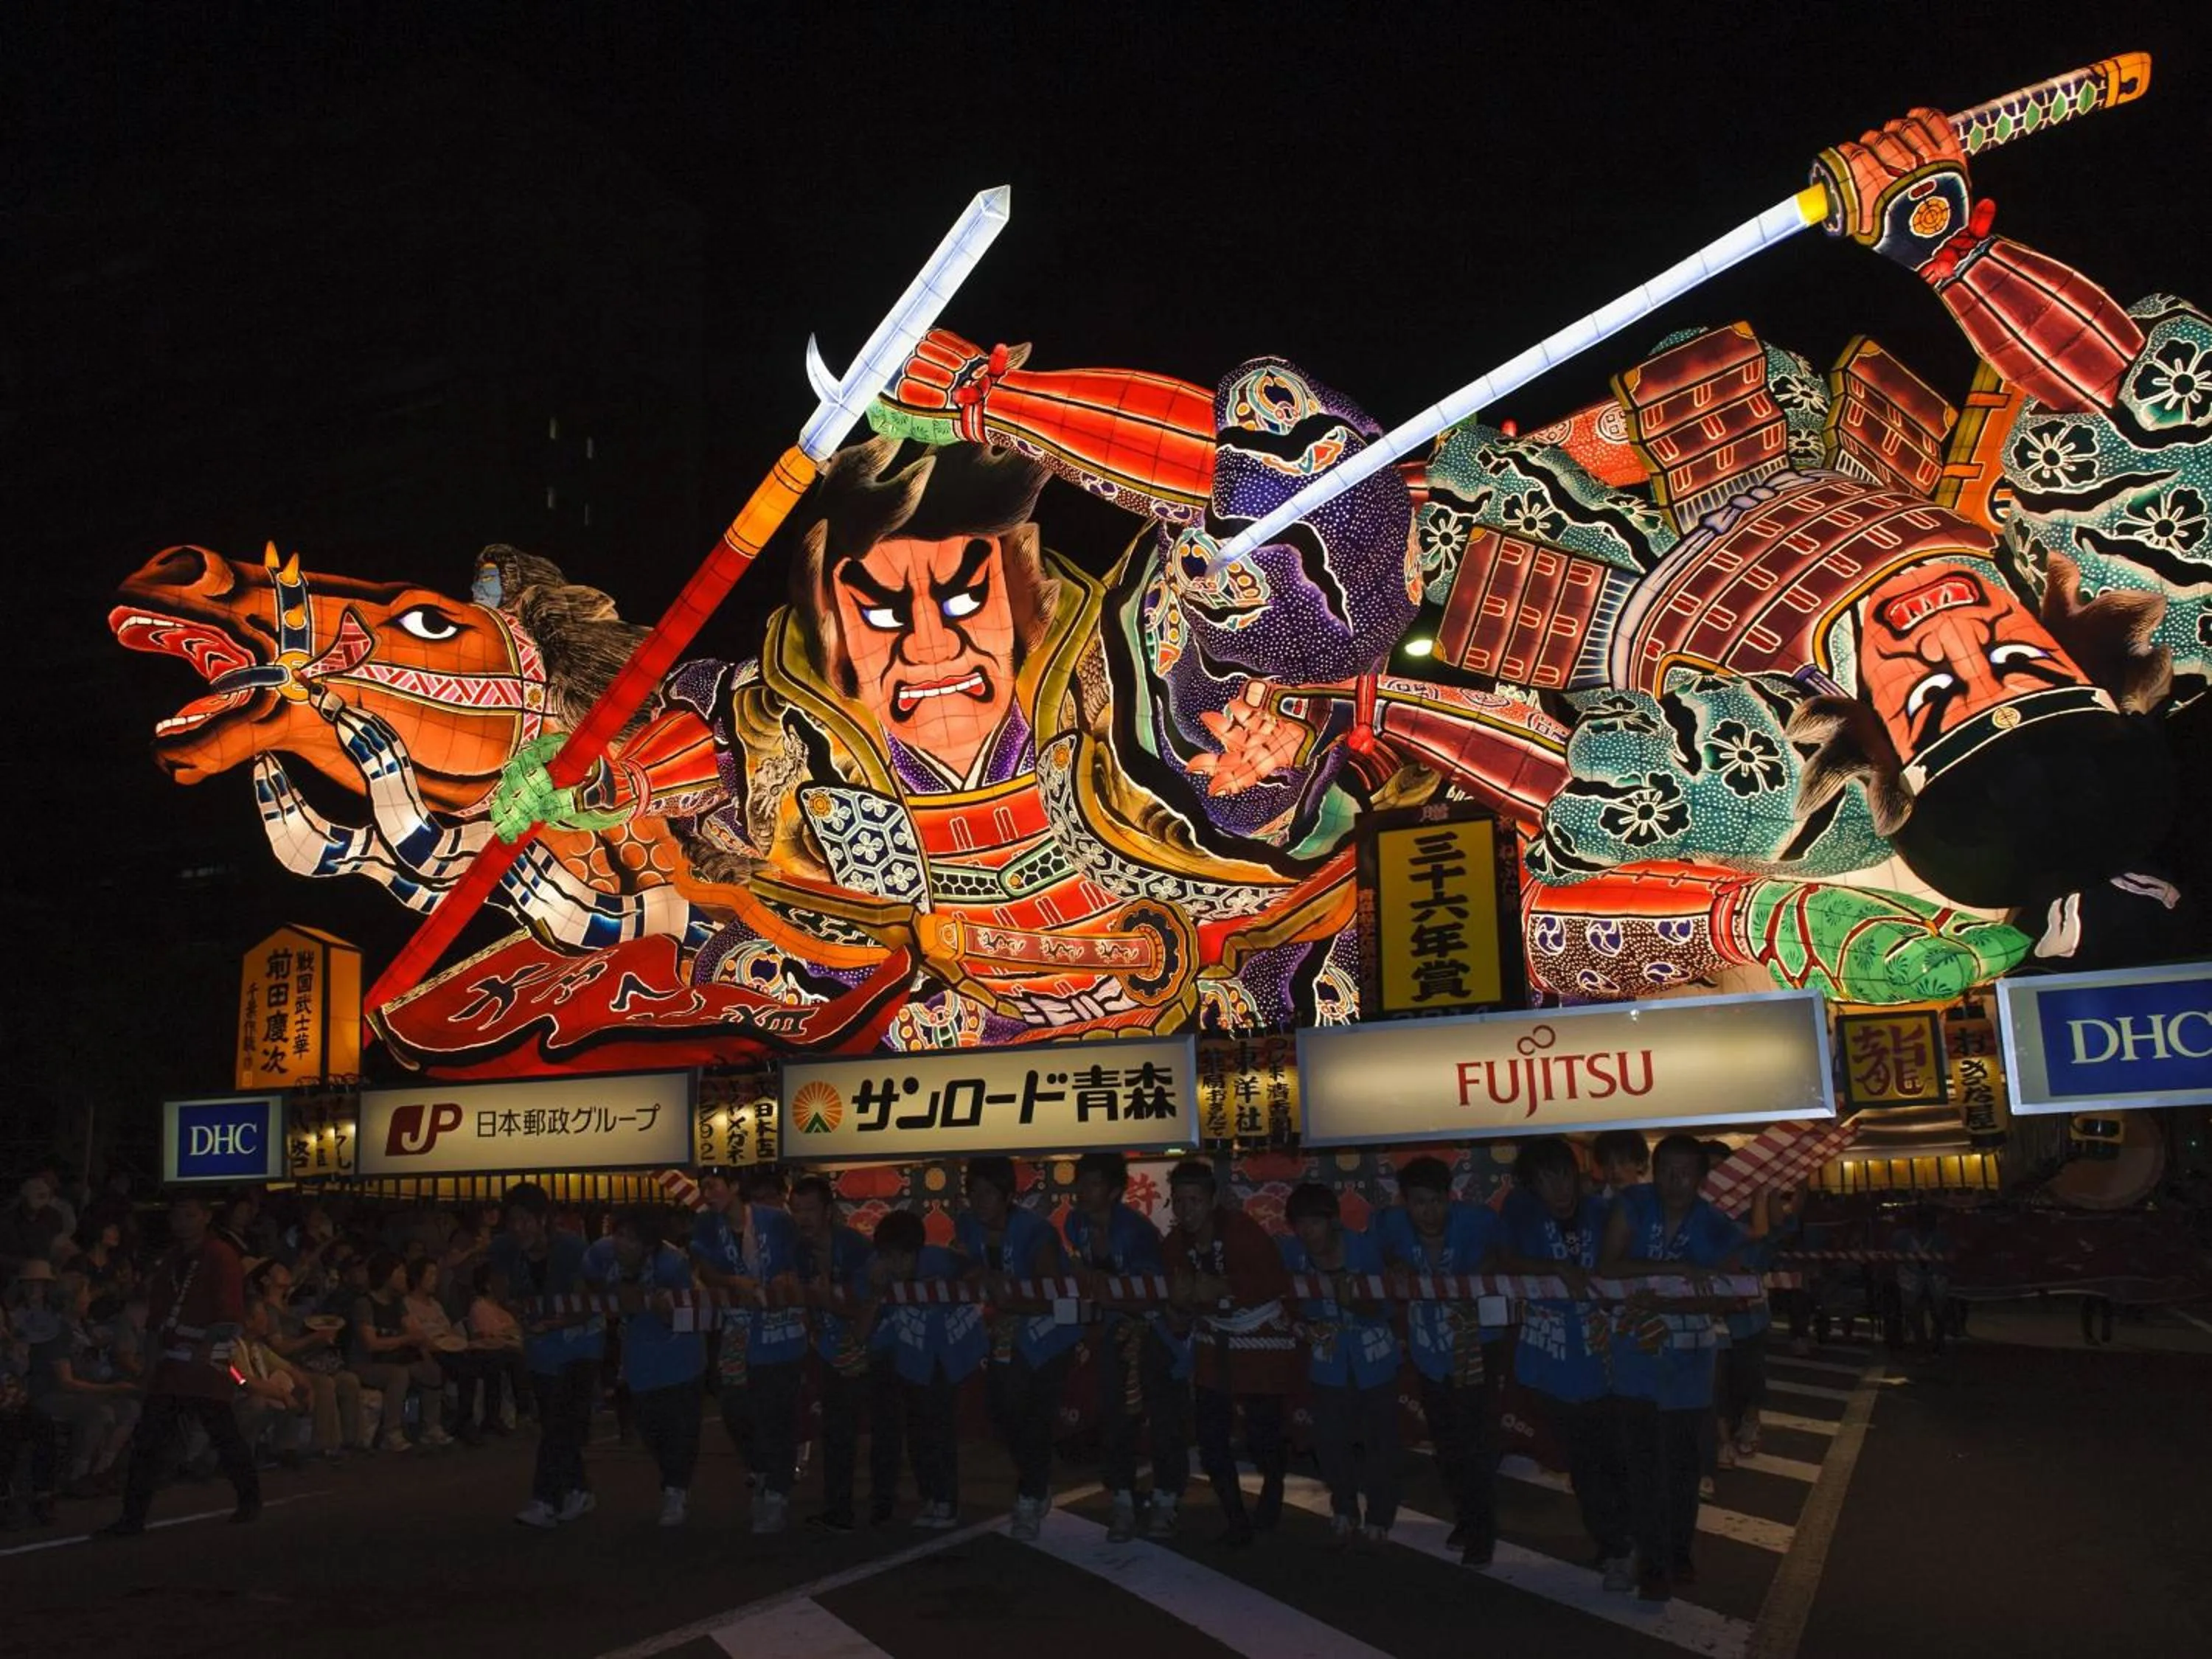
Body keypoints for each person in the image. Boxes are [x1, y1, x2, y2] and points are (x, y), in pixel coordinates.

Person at [1600, 1133, 1747, 1602]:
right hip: (1635, 1353)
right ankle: (1655, 1562)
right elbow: (1607, 1266)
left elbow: (1733, 1290)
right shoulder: (1633, 1204)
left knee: (1683, 1466)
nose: (1675, 1181)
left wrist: (1706, 1291)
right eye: (1666, 1170)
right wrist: (1679, 1271)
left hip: (1689, 1357)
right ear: (1653, 1170)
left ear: (1702, 1179)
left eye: (1686, 1173)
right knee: (1641, 1462)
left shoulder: (1716, 1223)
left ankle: (1677, 1552)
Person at [1497, 1136, 1632, 1590]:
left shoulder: (1603, 1212)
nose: (1560, 1186)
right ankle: (1616, 1546)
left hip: (1613, 1357)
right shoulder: (1522, 1214)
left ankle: (1622, 1545)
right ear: (1532, 1185)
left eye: (1565, 1173)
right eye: (1546, 1178)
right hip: (1553, 1362)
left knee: (1615, 1457)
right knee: (1586, 1462)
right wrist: (1554, 1269)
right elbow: (1504, 1262)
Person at [99, 1190, 260, 1536]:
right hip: (171, 1363)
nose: (181, 1222)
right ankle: (133, 1517)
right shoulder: (172, 1260)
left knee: (222, 1431)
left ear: (205, 1217)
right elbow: (157, 1317)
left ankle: (250, 1497)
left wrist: (208, 1351)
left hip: (203, 1359)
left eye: (189, 1215)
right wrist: (150, 1363)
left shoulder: (220, 1256)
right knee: (150, 1439)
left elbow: (229, 1311)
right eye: (177, 1216)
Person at [1375, 1155, 1503, 1565]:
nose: (1428, 1212)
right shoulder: (1390, 1225)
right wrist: (1393, 1263)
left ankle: (1483, 1529)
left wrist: (1478, 1274)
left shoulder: (1477, 1221)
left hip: (1473, 1342)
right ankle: (1466, 1516)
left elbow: (1504, 1254)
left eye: (1436, 1201)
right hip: (1429, 1346)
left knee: (1475, 1440)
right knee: (1446, 1443)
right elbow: (1373, 1250)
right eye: (1418, 1203)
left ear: (1450, 1197)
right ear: (1405, 1203)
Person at [1163, 1158, 1296, 1547]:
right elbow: (1177, 1306)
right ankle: (1236, 1518)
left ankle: (1273, 1487)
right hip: (1214, 1339)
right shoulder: (1174, 1245)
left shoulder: (1243, 1231)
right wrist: (1179, 1305)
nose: (1187, 1211)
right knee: (1211, 1437)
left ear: (1213, 1200)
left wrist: (1223, 1286)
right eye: (1179, 1202)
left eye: (1195, 1201)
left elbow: (1274, 1281)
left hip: (1259, 1335)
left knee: (1263, 1433)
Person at [1063, 1151, 1189, 1542]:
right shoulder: (1075, 1224)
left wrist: (1107, 1293)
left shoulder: (1137, 1233)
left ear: (1116, 1191)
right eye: (1081, 1183)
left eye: (1094, 1184)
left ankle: (1166, 1502)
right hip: (1115, 1334)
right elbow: (1082, 1274)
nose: (1084, 1192)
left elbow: (1151, 1295)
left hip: (1154, 1333)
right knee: (1115, 1419)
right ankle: (1121, 1499)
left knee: (1165, 1419)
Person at [955, 1156, 1079, 1541]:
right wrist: (979, 1274)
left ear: (1009, 1195)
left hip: (1051, 1329)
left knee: (1032, 1411)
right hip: (1010, 1331)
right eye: (973, 1192)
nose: (980, 1201)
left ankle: (1029, 1496)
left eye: (989, 1193)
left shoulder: (1035, 1232)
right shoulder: (967, 1225)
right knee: (1001, 1409)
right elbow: (964, 1262)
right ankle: (1036, 1479)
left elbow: (1050, 1291)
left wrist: (1009, 1296)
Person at [1280, 1183, 1399, 1548]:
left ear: (1333, 1222)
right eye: (1299, 1225)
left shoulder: (1365, 1250)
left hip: (1374, 1359)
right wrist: (1302, 1325)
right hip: (1328, 1363)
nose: (1306, 1233)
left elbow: (1387, 1308)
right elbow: (1279, 1296)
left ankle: (1380, 1514)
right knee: (1330, 1443)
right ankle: (1344, 1506)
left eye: (1313, 1224)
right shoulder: (1292, 1255)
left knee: (1379, 1444)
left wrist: (1355, 1302)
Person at [690, 1166, 807, 1534]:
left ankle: (777, 1493)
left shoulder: (774, 1221)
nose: (708, 1193)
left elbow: (797, 1261)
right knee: (734, 1405)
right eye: (703, 1187)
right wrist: (730, 1281)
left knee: (777, 1409)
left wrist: (787, 1280)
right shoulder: (707, 1225)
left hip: (780, 1325)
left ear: (735, 1187)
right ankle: (763, 1470)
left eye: (714, 1185)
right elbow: (706, 1270)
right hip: (738, 1326)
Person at [489, 1181, 602, 1528]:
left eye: (526, 1221)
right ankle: (578, 1490)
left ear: (543, 1219)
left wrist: (557, 1321)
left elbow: (589, 1302)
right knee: (557, 1423)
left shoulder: (572, 1249)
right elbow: (501, 1289)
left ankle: (545, 1499)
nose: (519, 1229)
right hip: (541, 1347)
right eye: (513, 1221)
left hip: (580, 1343)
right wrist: (519, 1312)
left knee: (560, 1420)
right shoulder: (505, 1249)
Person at [863, 1208, 984, 1529]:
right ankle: (930, 1495)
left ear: (916, 1251)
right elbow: (865, 1329)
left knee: (940, 1428)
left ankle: (946, 1500)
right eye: (888, 1256)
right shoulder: (876, 1270)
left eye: (901, 1257)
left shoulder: (941, 1262)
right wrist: (876, 1292)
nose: (895, 1264)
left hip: (947, 1353)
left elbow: (977, 1273)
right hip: (910, 1356)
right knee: (918, 1429)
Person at [586, 1208, 703, 1526]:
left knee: (680, 1429)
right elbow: (590, 1285)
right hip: (638, 1356)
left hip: (679, 1355)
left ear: (649, 1246)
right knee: (650, 1428)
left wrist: (655, 1302)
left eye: (631, 1239)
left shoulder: (672, 1263)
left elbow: (683, 1309)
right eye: (619, 1235)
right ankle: (672, 1479)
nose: (622, 1244)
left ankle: (676, 1490)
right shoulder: (600, 1253)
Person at [788, 1175, 882, 1532]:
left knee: (875, 1430)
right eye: (797, 1210)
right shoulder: (800, 1251)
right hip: (829, 1349)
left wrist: (830, 1303)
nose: (803, 1218)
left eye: (810, 1210)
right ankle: (839, 1507)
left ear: (828, 1211)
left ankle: (878, 1504)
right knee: (836, 1430)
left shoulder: (855, 1247)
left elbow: (872, 1304)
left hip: (868, 1348)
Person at [27, 1270, 140, 1495]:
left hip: (83, 1389)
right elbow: (65, 1382)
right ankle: (78, 1473)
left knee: (130, 1408)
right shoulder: (56, 1332)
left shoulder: (85, 1328)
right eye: (84, 1294)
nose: (89, 1299)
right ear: (70, 1300)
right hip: (51, 1394)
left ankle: (101, 1470)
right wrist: (111, 1389)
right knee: (99, 1413)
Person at [249, 1259, 363, 1458]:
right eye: (279, 1270)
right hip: (287, 1366)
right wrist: (314, 1338)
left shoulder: (289, 1308)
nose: (286, 1272)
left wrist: (322, 1338)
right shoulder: (269, 1312)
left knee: (348, 1380)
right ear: (266, 1280)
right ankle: (325, 1445)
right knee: (324, 1384)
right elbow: (279, 1348)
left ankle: (354, 1441)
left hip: (307, 1361)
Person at [347, 1250, 450, 1450]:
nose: (405, 1278)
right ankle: (391, 1432)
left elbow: (414, 1331)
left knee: (431, 1370)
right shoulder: (365, 1304)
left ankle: (430, 1428)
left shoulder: (398, 1304)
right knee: (399, 1374)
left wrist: (424, 1349)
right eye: (401, 1273)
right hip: (367, 1363)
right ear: (387, 1276)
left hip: (393, 1358)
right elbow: (372, 1344)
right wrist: (406, 1339)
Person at [402, 1255, 484, 1444]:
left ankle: (467, 1420)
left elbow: (448, 1329)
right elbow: (416, 1334)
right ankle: (462, 1422)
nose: (435, 1279)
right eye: (430, 1275)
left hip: (448, 1346)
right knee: (464, 1368)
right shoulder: (407, 1304)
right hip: (430, 1349)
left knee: (475, 1362)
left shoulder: (436, 1305)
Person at [463, 1261, 530, 1433]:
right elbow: (487, 1335)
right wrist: (507, 1336)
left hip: (507, 1348)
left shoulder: (503, 1309)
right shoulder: (480, 1307)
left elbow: (515, 1331)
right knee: (510, 1360)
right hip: (489, 1352)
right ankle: (519, 1410)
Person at [1891, 1204, 1953, 1355]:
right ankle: (1922, 1342)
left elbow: (1950, 1254)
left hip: (1935, 1277)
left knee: (1938, 1313)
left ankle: (1937, 1341)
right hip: (1911, 1278)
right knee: (1914, 1313)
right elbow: (1893, 1254)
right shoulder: (1902, 1237)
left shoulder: (1940, 1237)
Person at [1590, 1132, 1651, 1200]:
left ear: (1640, 1164)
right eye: (1608, 1163)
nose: (1615, 1170)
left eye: (1623, 1162)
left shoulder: (1653, 1198)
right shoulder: (1596, 1202)